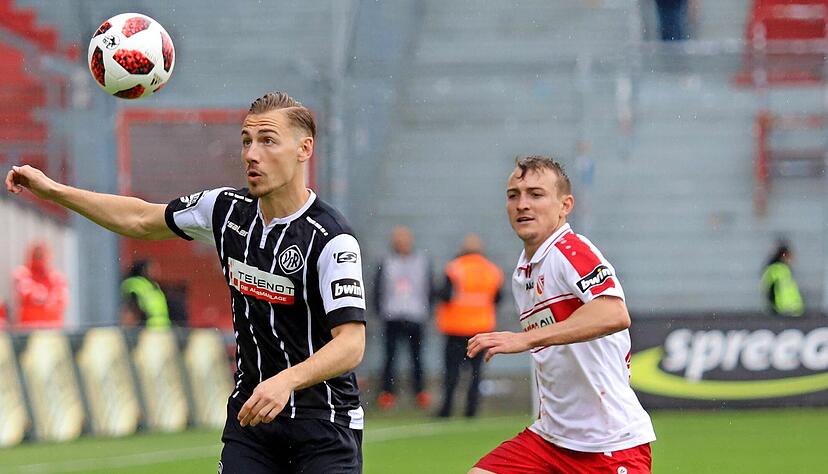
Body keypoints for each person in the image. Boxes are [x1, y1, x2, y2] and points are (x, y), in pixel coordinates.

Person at [6, 91, 367, 473]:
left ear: (303, 148)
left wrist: (286, 382)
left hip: (325, 425)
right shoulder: (226, 210)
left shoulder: (330, 239)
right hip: (252, 423)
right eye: (246, 141)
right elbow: (141, 219)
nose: (251, 154)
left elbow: (351, 343)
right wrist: (54, 191)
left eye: (267, 140)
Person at [467, 155, 655, 473]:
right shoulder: (523, 271)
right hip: (549, 441)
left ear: (565, 205)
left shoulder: (569, 251)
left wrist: (526, 339)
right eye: (514, 195)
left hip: (609, 444)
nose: (522, 204)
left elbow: (614, 313)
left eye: (536, 194)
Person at [435, 233, 503, 419]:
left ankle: (446, 410)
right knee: (476, 374)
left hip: (456, 328)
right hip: (481, 329)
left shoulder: (454, 268)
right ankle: (471, 410)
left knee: (452, 373)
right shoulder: (492, 270)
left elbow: (444, 295)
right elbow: (497, 298)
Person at [373, 225, 434, 410]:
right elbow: (378, 288)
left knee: (417, 357)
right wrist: (380, 310)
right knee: (390, 357)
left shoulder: (421, 261)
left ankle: (420, 392)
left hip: (415, 315)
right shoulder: (386, 261)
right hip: (392, 315)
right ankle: (387, 393)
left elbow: (429, 287)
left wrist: (426, 309)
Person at [12, 242, 68, 329]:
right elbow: (31, 295)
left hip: (53, 328)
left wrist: (47, 298)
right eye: (37, 256)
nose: (40, 259)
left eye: (42, 256)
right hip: (28, 328)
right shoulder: (22, 273)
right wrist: (48, 297)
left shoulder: (57, 277)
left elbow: (62, 300)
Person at [121, 259, 171, 329]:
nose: (155, 271)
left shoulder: (154, 286)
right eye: (152, 268)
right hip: (145, 329)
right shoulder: (136, 284)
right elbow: (131, 309)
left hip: (161, 328)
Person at [761, 241, 804, 317]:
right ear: (783, 255)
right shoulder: (777, 269)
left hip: (789, 311)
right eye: (788, 255)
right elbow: (770, 290)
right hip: (783, 311)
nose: (791, 259)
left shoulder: (783, 268)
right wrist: (774, 308)